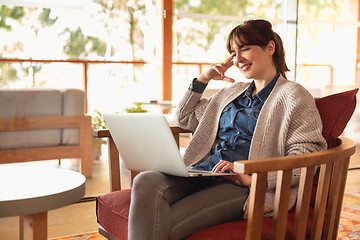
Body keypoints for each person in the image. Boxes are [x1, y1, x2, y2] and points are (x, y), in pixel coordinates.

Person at [128, 19, 327, 240]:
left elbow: (308, 157)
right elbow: (183, 117)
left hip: (242, 186)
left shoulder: (294, 96)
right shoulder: (232, 93)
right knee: (145, 180)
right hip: (203, 172)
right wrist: (204, 78)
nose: (238, 59)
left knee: (166, 223)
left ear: (270, 48)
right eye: (233, 52)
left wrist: (252, 178)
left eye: (245, 49)